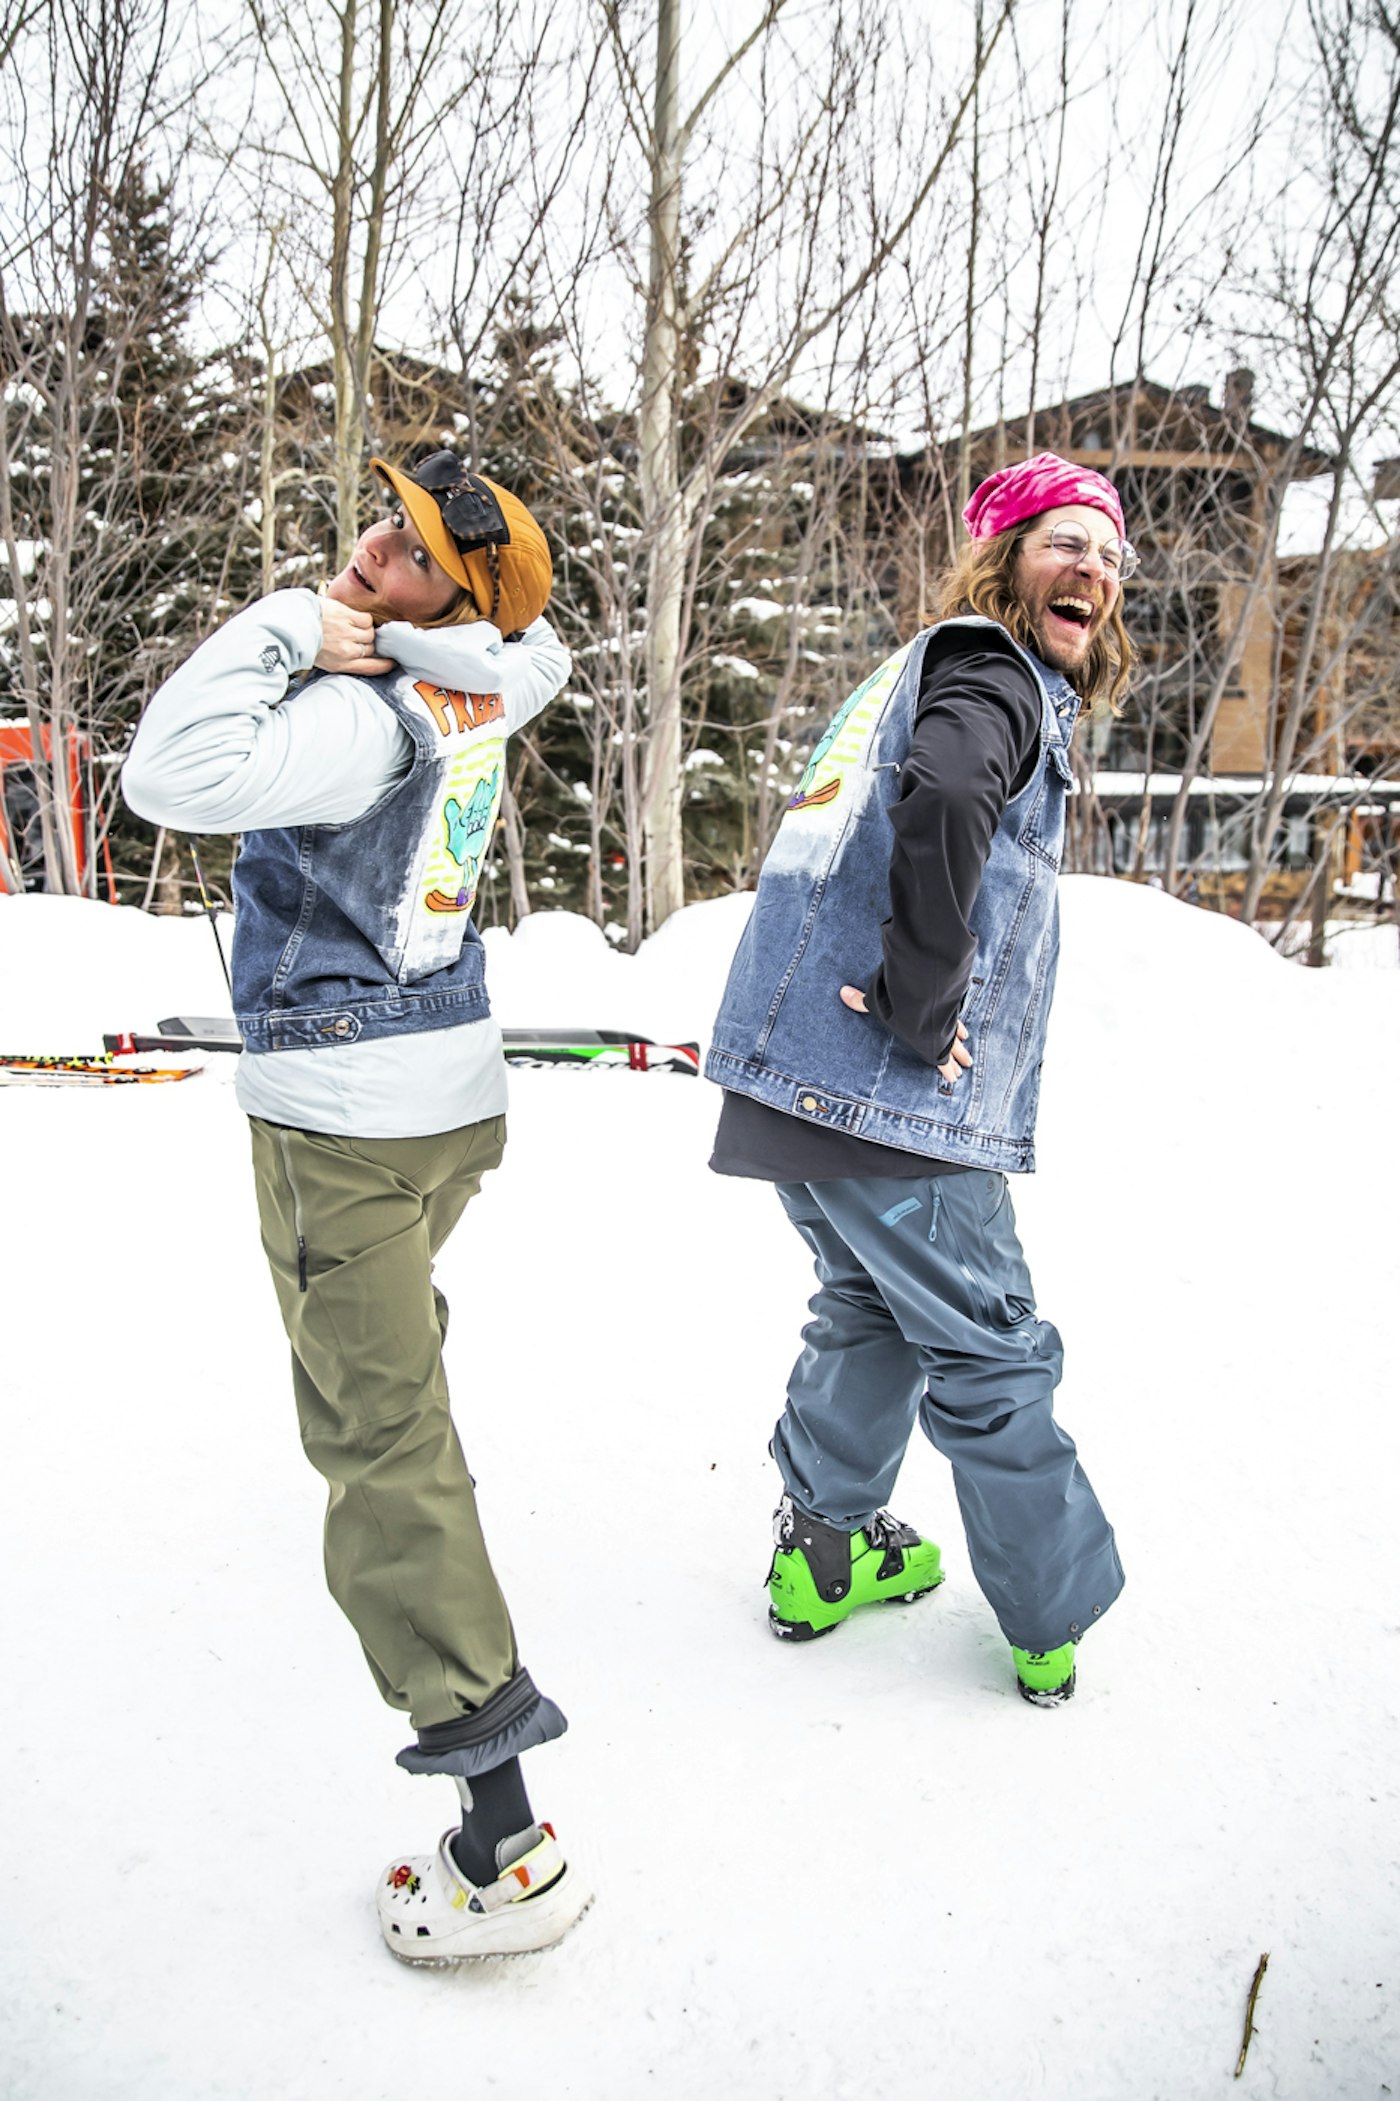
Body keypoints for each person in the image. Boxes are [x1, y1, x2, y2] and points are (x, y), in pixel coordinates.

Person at [123, 450, 591, 1958]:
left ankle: (501, 1835)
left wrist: (283, 623)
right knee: (392, 1380)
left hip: (345, 1121)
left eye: (412, 553)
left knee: (382, 1441)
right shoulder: (487, 679)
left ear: (455, 598)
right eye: (386, 519)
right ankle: (421, 1568)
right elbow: (547, 643)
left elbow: (165, 777)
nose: (374, 545)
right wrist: (392, 620)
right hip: (445, 1104)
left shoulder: (353, 715)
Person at [705, 451, 1132, 1706]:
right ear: (1001, 556)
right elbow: (947, 797)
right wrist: (919, 996)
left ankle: (821, 1557)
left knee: (869, 1306)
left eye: (1107, 558)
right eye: (1065, 543)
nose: (1092, 573)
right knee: (991, 1351)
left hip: (797, 1078)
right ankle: (1048, 1618)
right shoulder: (990, 669)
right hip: (890, 1101)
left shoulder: (925, 669)